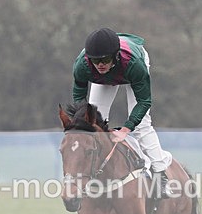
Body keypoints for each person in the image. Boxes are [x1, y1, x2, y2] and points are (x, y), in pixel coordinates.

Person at [72, 28, 172, 198]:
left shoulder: (134, 64)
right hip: (106, 77)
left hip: (128, 68)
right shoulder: (83, 65)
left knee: (141, 126)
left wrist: (126, 129)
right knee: (94, 126)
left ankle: (160, 176)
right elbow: (79, 96)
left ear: (116, 55)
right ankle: (89, 176)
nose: (100, 64)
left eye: (105, 59)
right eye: (96, 60)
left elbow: (144, 101)